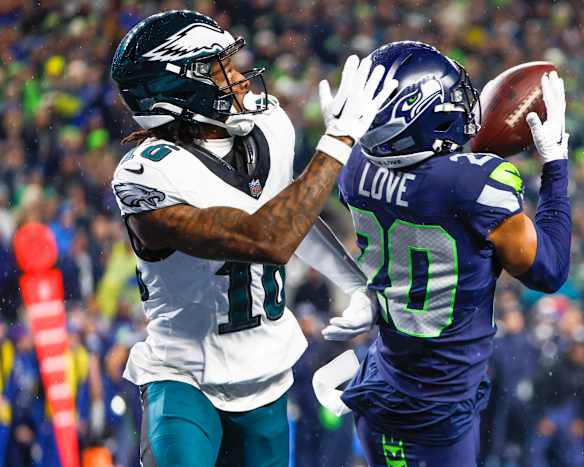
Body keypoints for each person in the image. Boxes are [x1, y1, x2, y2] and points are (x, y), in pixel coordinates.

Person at [109, 10, 397, 467]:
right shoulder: (148, 174)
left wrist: (356, 285)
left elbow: (292, 216)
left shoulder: (270, 125)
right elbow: (268, 239)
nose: (239, 79)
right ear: (174, 90)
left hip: (267, 374)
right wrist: (338, 141)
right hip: (184, 376)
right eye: (218, 69)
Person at [315, 41, 571, 466]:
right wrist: (556, 164)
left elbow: (424, 189)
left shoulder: (355, 168)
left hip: (384, 380)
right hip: (435, 405)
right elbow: (550, 271)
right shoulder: (476, 185)